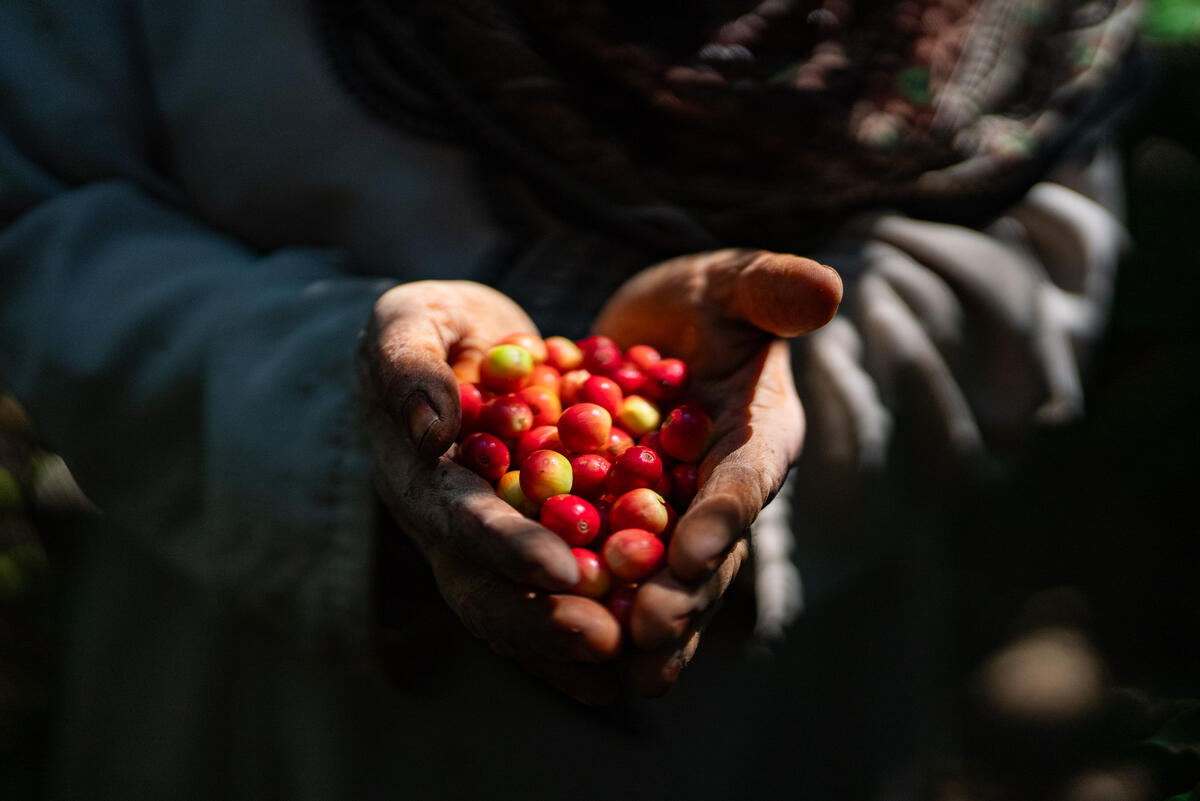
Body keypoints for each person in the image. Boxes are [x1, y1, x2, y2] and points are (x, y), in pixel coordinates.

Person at [0, 1, 1142, 798]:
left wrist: (813, 399)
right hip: (256, 685)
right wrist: (328, 409)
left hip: (780, 705)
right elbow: (35, 212)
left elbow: (1030, 263)